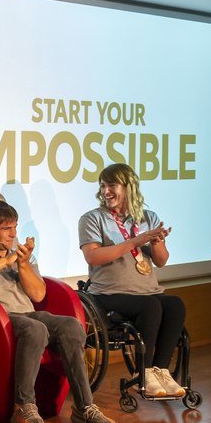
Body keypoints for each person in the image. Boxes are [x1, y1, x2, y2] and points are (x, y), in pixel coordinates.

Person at [0, 199, 119, 423]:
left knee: (71, 325)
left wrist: (22, 265)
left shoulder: (22, 257)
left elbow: (38, 294)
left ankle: (84, 407)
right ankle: (24, 407)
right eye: (6, 229)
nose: (13, 234)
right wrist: (4, 261)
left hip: (28, 314)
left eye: (15, 227)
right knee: (35, 328)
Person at [78, 162, 188, 398]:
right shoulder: (93, 218)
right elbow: (93, 257)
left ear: (129, 187)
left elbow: (161, 261)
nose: (106, 191)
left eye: (112, 185)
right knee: (151, 307)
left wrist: (156, 242)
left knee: (175, 304)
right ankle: (144, 373)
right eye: (103, 186)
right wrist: (135, 241)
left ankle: (160, 371)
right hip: (108, 293)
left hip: (147, 291)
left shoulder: (148, 217)